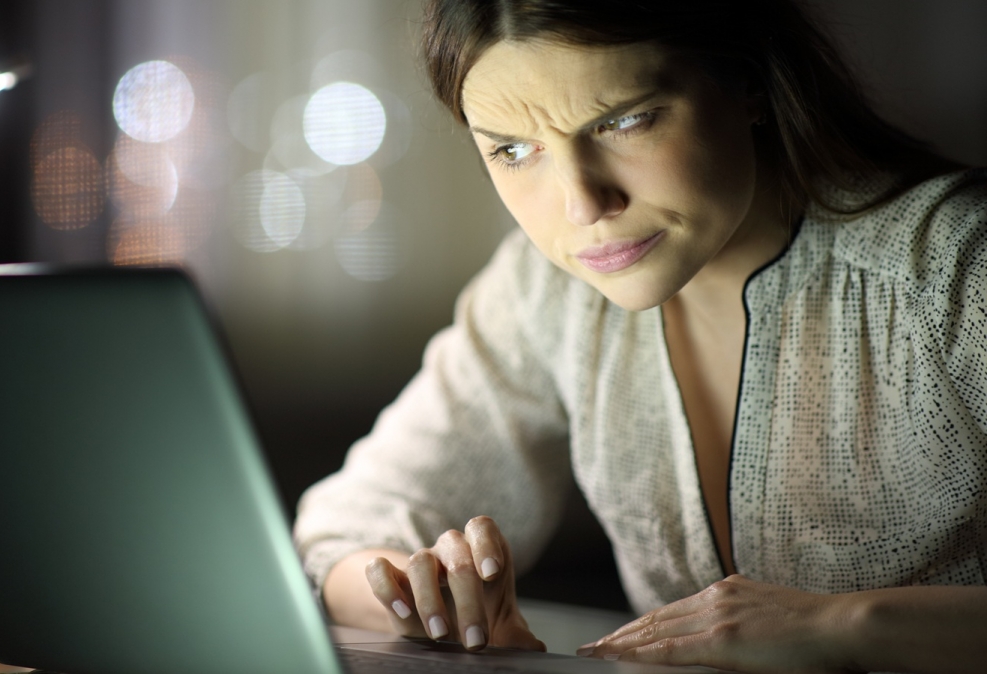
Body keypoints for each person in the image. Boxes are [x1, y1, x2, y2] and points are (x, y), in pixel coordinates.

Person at [293, 0, 987, 671]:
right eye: (513, 149)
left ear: (745, 78)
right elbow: (344, 532)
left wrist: (844, 628)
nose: (582, 204)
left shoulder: (957, 269)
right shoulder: (546, 292)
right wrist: (427, 605)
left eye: (625, 120)